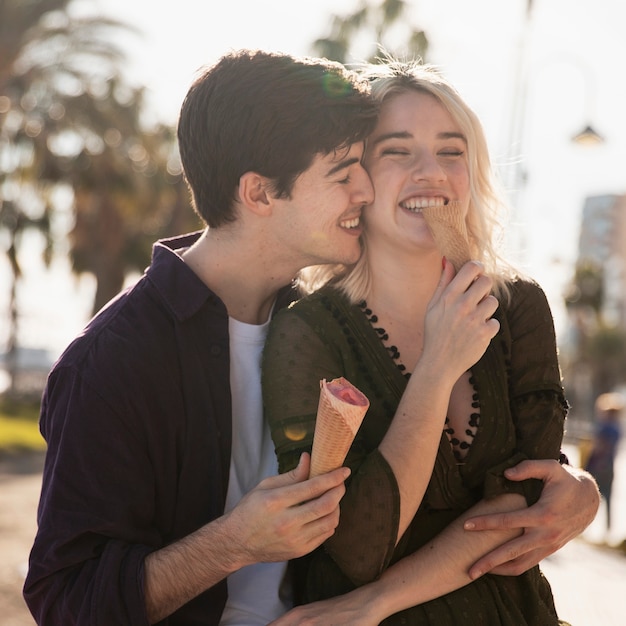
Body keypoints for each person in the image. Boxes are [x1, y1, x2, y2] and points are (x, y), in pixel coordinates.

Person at [23, 49, 381, 625]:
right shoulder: (111, 362)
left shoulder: (328, 329)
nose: (366, 189)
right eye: (342, 173)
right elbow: (67, 602)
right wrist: (234, 542)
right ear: (260, 193)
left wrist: (571, 489)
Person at [262, 58, 599, 625]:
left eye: (451, 150)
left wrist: (375, 602)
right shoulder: (308, 332)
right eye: (397, 151)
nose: (432, 173)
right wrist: (439, 367)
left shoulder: (518, 309)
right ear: (358, 178)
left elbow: (524, 506)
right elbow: (359, 547)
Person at [585, 392, 624, 535]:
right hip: (609, 467)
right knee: (607, 497)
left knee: (589, 495)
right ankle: (607, 529)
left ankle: (584, 525)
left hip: (599, 465)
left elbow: (600, 447)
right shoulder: (617, 428)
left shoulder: (606, 427)